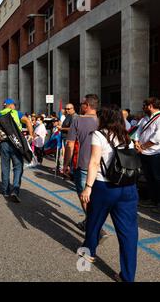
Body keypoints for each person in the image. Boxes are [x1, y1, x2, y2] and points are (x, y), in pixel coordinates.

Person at [80, 105, 138, 282]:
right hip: (128, 187)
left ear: (104, 118)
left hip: (104, 186)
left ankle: (89, 251)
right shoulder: (127, 136)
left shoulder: (99, 135)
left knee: (94, 220)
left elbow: (94, 162)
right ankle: (127, 276)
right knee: (128, 233)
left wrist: (88, 187)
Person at [63, 95, 109, 240]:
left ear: (87, 105)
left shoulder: (77, 120)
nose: (80, 106)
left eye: (82, 103)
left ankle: (99, 229)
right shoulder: (103, 121)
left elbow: (70, 144)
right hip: (102, 165)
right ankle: (90, 222)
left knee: (85, 197)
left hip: (83, 164)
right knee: (97, 197)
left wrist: (65, 164)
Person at [0, 99, 34, 203]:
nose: (15, 107)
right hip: (16, 143)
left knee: (5, 167)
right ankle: (15, 190)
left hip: (4, 143)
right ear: (11, 105)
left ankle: (5, 190)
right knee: (18, 167)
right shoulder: (16, 113)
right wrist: (31, 135)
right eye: (14, 105)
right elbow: (27, 121)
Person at [134, 97, 160, 214]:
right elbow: (138, 132)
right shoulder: (144, 119)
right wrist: (136, 142)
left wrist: (142, 147)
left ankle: (158, 203)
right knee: (149, 178)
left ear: (150, 106)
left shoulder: (159, 118)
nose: (142, 107)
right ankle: (153, 199)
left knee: (157, 178)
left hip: (155, 154)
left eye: (144, 105)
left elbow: (156, 138)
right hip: (143, 153)